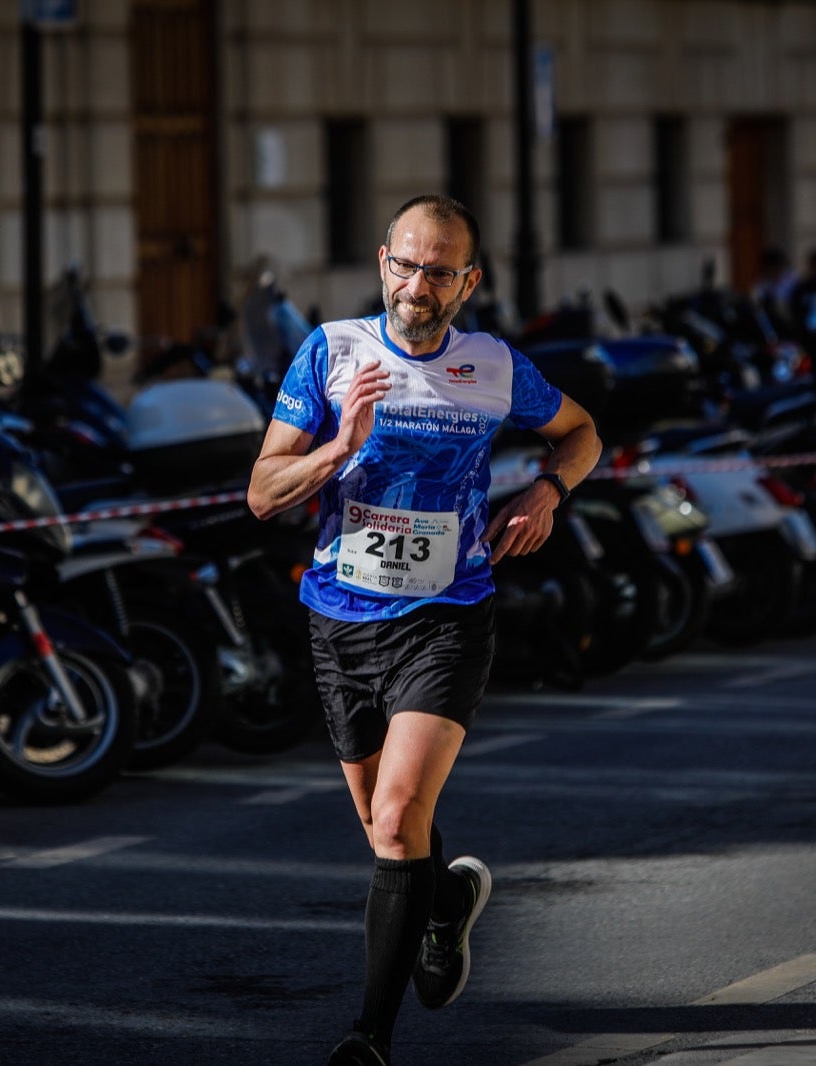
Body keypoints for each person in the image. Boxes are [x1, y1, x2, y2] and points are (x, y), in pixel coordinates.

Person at [246, 194, 601, 1066]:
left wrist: (550, 490)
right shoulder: (330, 352)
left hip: (448, 615)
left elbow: (582, 433)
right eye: (405, 264)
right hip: (339, 619)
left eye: (439, 271)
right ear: (381, 263)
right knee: (383, 830)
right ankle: (443, 905)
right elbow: (262, 491)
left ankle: (370, 1037)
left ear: (467, 282)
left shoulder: (491, 365)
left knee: (403, 817)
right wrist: (339, 448)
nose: (417, 283)